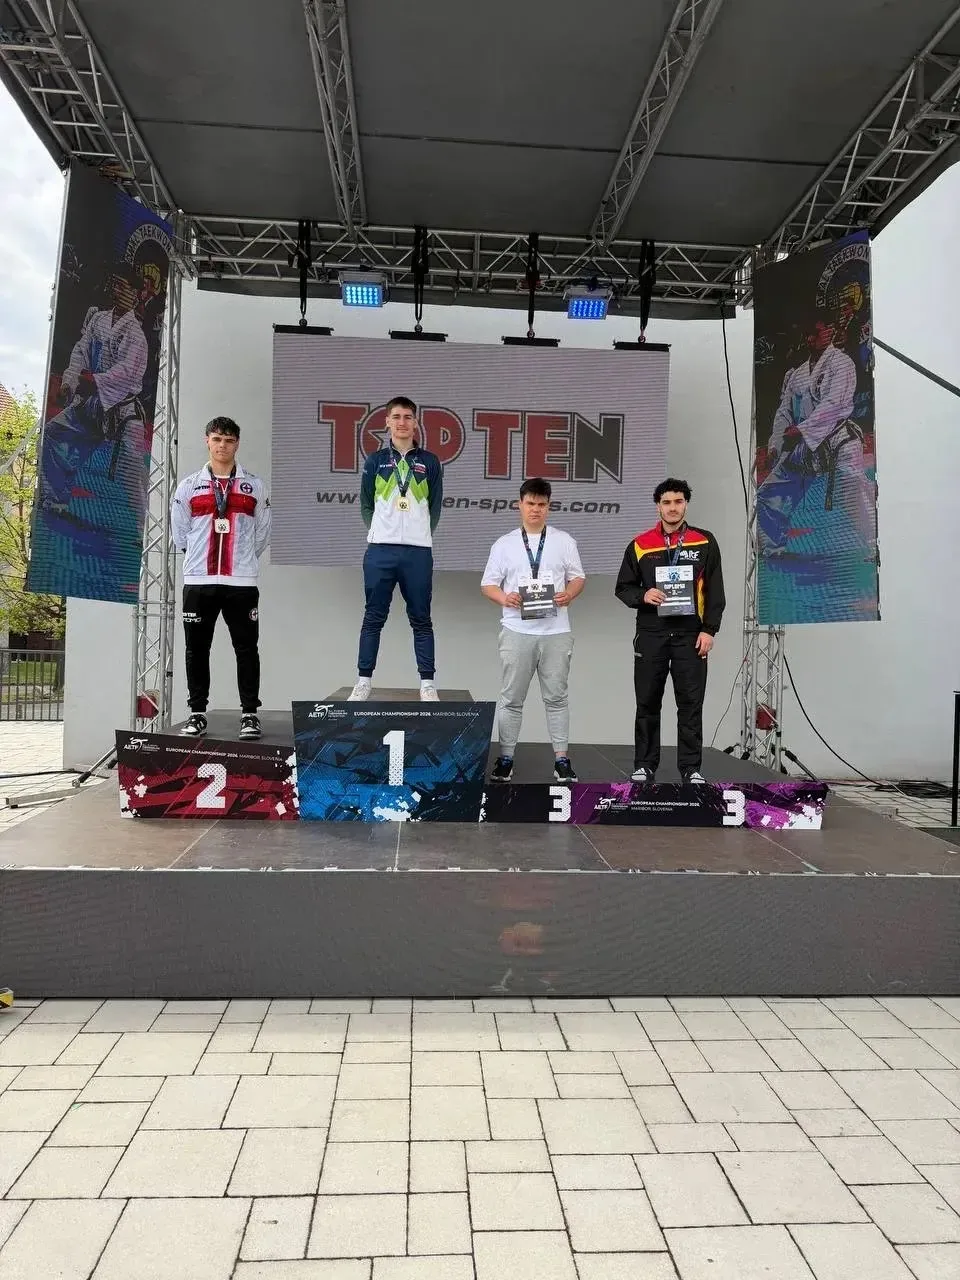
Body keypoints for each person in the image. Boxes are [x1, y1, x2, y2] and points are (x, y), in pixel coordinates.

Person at [615, 479, 725, 785]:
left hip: (691, 635)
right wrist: (643, 595)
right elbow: (623, 587)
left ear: (686, 504)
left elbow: (715, 590)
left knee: (690, 704)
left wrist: (709, 630)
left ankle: (690, 768)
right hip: (651, 634)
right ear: (658, 506)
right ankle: (644, 765)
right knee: (647, 702)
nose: (673, 508)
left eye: (678, 501)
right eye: (667, 502)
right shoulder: (640, 544)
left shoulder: (704, 541)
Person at [170, 416, 271, 740]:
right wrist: (197, 561)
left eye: (228, 440)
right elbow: (180, 533)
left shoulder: (254, 486)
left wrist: (243, 560)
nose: (222, 445)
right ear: (207, 441)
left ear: (237, 443)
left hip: (241, 582)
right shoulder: (188, 486)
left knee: (247, 649)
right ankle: (197, 713)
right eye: (217, 439)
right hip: (199, 581)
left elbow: (262, 532)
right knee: (196, 649)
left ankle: (250, 715)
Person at [481, 477, 586, 782]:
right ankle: (506, 758)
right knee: (512, 698)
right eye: (530, 503)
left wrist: (569, 593)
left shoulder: (564, 541)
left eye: (541, 504)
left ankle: (562, 760)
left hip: (556, 631)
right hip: (517, 629)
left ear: (549, 507)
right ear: (520, 505)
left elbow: (578, 577)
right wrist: (505, 597)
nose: (535, 509)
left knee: (557, 698)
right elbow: (488, 584)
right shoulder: (504, 544)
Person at [757, 310, 875, 557]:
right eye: (807, 334)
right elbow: (784, 411)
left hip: (837, 439)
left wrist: (802, 429)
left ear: (829, 331)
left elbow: (833, 404)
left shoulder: (842, 364)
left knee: (852, 486)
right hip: (805, 445)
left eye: (816, 333)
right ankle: (773, 549)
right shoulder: (797, 374)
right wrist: (775, 445)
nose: (810, 339)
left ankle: (872, 545)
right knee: (770, 493)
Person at [349, 396, 443, 701]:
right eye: (397, 417)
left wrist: (420, 534)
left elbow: (435, 507)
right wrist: (379, 531)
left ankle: (427, 684)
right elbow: (366, 504)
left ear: (415, 422)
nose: (402, 422)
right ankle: (363, 681)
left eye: (408, 417)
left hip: (417, 552)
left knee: (421, 618)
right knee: (373, 617)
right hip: (381, 551)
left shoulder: (430, 461)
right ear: (387, 422)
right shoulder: (375, 461)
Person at [39, 263, 149, 523]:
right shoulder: (98, 319)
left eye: (121, 286)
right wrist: (69, 382)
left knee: (132, 471)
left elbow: (127, 373)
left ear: (134, 294)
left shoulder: (136, 335)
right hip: (91, 403)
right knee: (52, 434)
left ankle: (144, 525)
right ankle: (56, 500)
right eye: (114, 284)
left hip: (122, 409)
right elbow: (80, 351)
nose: (115, 290)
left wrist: (94, 381)